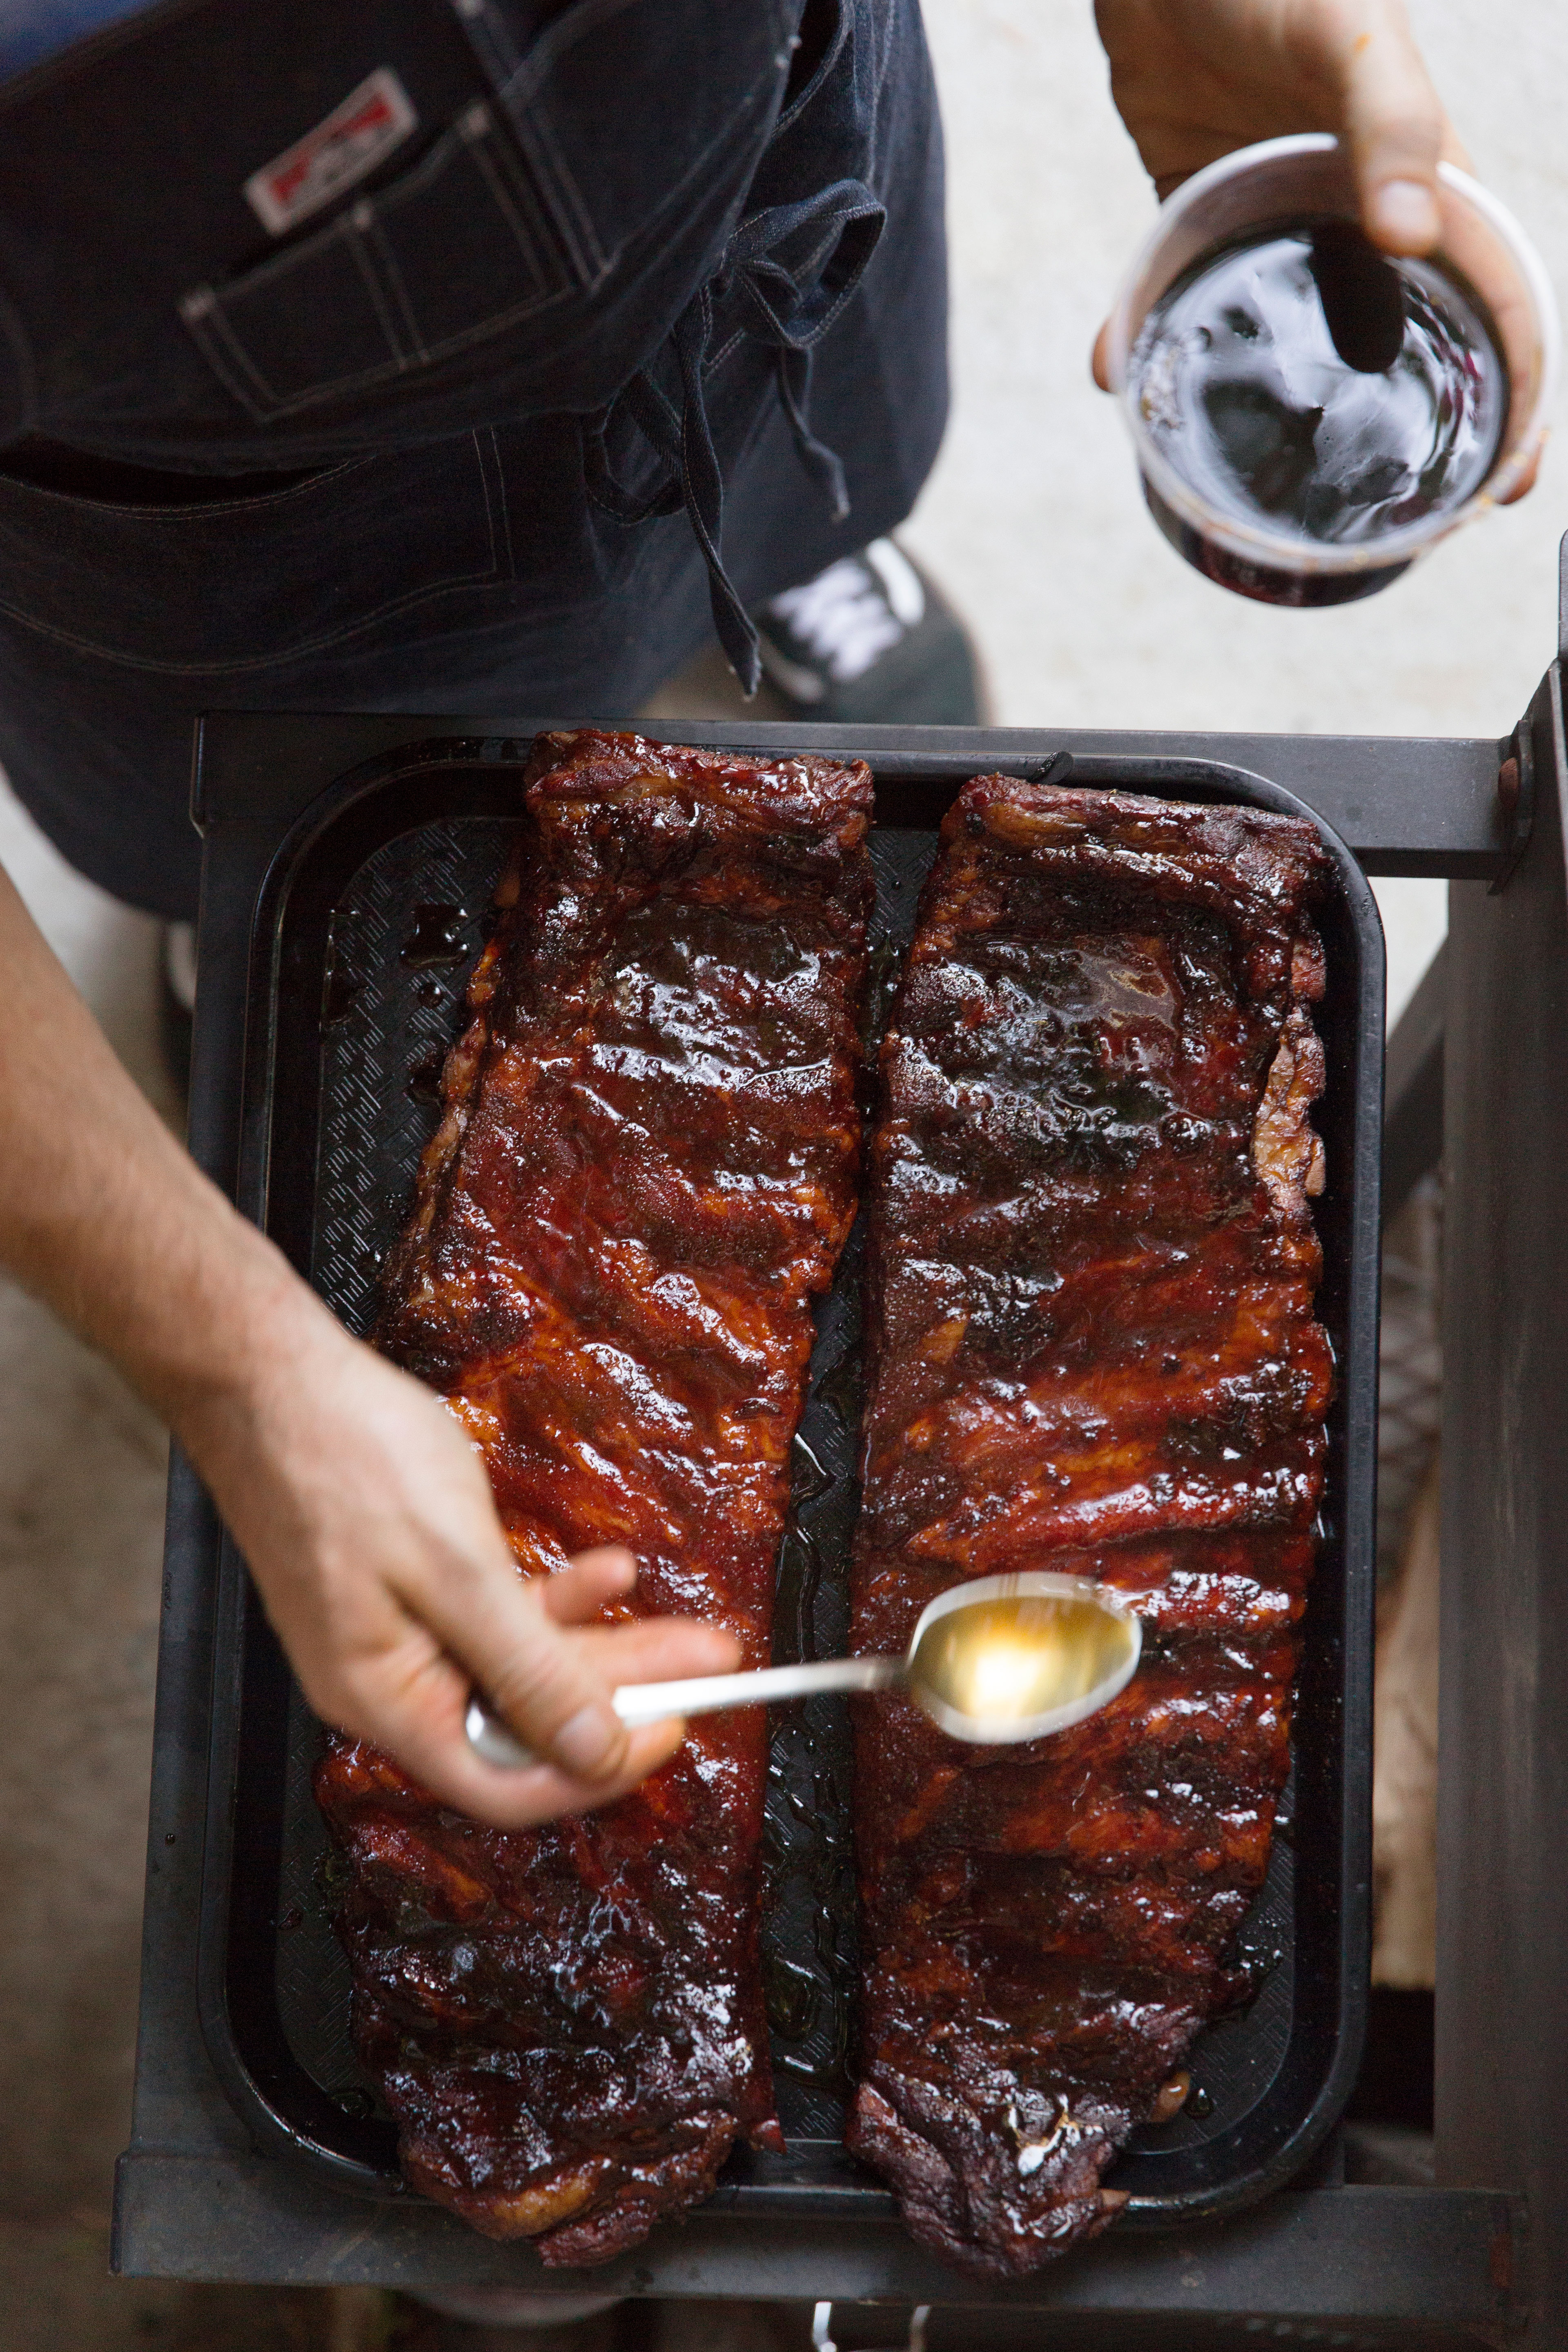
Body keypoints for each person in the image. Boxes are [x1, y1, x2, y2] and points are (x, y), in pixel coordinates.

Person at [0, 0, 1487, 1830]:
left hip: (751, 155)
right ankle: (246, 894)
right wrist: (235, 1367)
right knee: (249, 824)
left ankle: (765, 583)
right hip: (208, 533)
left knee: (804, 468)